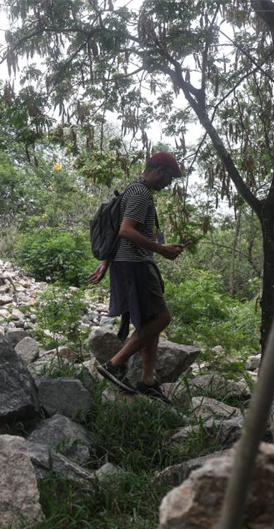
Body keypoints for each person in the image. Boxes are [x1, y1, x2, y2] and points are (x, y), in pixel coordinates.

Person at [88, 151, 185, 402]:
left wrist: (106, 263)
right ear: (159, 171)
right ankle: (114, 364)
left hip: (128, 262)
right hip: (136, 265)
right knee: (162, 318)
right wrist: (162, 250)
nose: (169, 184)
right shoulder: (140, 194)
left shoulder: (132, 190)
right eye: (169, 178)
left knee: (148, 320)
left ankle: (147, 380)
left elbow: (119, 233)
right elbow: (126, 231)